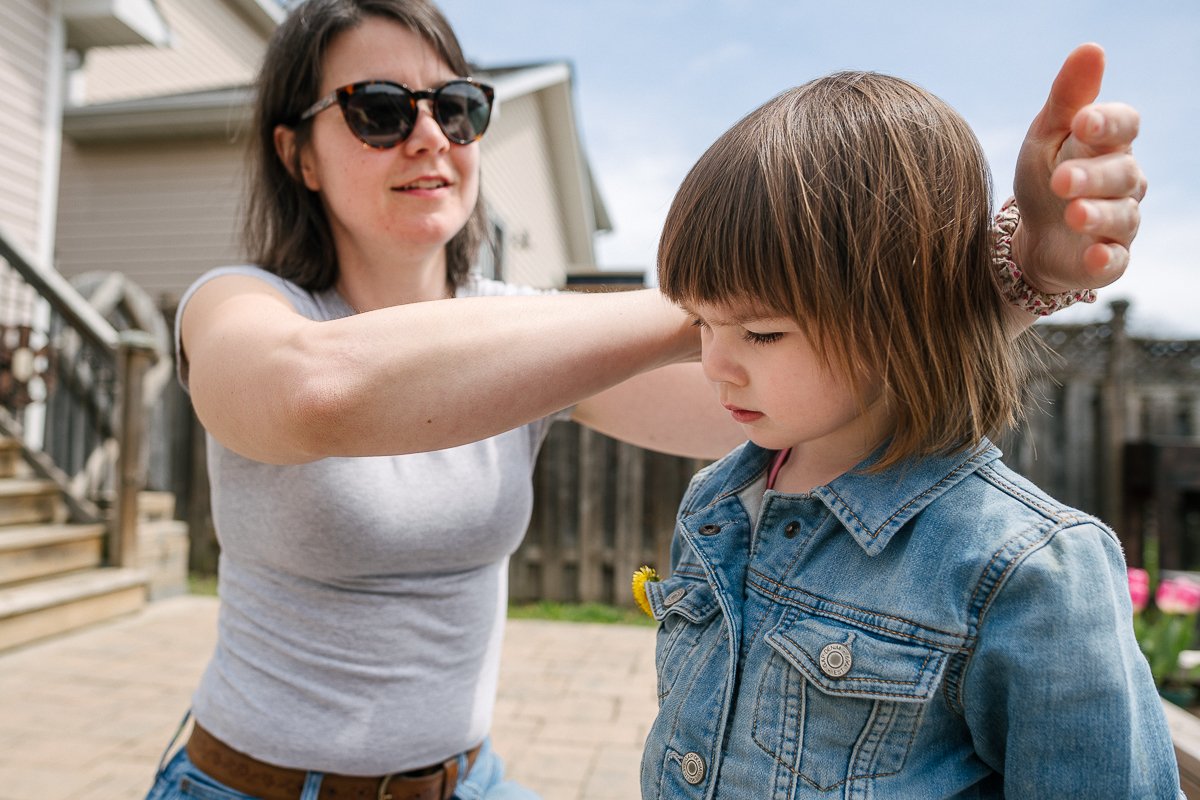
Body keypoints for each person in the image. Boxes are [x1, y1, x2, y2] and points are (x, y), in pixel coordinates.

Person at [143, 0, 1147, 794]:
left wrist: (1007, 273)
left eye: (456, 107)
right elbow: (313, 392)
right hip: (253, 787)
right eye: (376, 109)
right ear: (297, 151)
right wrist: (749, 287)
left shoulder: (524, 334)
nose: (428, 137)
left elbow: (802, 394)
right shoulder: (241, 304)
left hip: (467, 781)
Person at [640, 70, 1176, 798]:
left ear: (902, 315)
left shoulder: (1027, 571)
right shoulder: (715, 500)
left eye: (762, 333)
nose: (714, 365)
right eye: (700, 323)